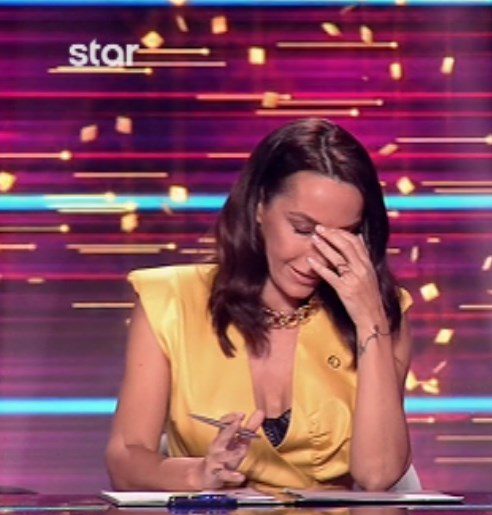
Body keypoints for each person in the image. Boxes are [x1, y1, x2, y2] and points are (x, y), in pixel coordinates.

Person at [106, 118, 415, 492]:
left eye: (343, 237)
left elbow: (378, 474)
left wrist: (369, 321)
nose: (317, 257)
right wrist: (198, 474)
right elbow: (126, 457)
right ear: (258, 206)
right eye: (302, 229)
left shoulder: (382, 313)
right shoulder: (171, 300)